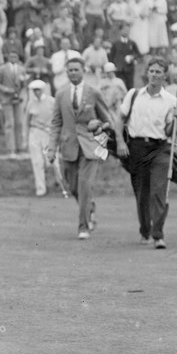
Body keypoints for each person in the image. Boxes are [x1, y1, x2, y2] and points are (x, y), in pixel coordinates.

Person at [114, 57, 177, 249]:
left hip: (159, 148)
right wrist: (120, 141)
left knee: (158, 192)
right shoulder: (134, 94)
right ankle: (145, 230)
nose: (154, 74)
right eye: (151, 71)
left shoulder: (171, 100)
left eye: (158, 72)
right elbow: (119, 120)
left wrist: (175, 120)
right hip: (136, 148)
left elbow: (169, 132)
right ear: (147, 73)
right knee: (142, 193)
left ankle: (158, 234)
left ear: (164, 75)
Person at [46, 57, 113, 240]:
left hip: (90, 147)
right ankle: (89, 208)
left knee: (84, 185)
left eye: (76, 69)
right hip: (68, 146)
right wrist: (51, 148)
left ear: (83, 70)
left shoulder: (93, 92)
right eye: (70, 70)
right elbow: (56, 123)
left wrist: (99, 127)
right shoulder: (61, 94)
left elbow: (108, 121)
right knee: (73, 186)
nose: (73, 73)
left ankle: (83, 226)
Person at [25, 80, 61, 197]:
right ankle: (41, 188)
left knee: (52, 161)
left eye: (38, 90)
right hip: (35, 132)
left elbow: (58, 118)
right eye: (34, 90)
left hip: (49, 133)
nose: (37, 92)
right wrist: (26, 137)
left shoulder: (52, 101)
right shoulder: (30, 103)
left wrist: (55, 132)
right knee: (37, 161)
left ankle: (60, 183)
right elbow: (26, 121)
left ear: (43, 89)